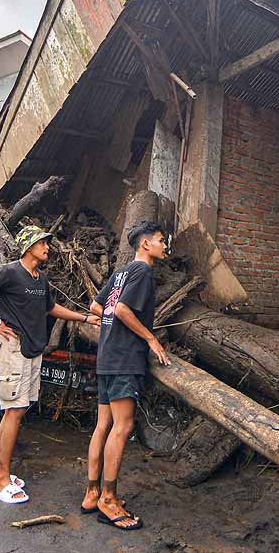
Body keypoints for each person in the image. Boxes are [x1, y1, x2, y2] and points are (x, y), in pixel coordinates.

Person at [0, 224, 100, 504]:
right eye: (42, 243)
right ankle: (2, 481)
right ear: (27, 247)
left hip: (32, 349)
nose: (47, 247)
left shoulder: (40, 279)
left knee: (16, 411)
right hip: (13, 347)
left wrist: (85, 318)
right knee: (14, 410)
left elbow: (51, 308)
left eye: (47, 242)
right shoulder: (9, 272)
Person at [81, 220, 172, 531]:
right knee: (123, 426)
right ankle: (109, 497)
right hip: (124, 359)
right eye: (160, 240)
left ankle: (92, 492)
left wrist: (108, 330)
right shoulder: (143, 272)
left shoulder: (120, 272)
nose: (164, 245)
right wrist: (149, 338)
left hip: (107, 356)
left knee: (103, 424)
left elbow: (96, 307)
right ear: (145, 244)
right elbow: (120, 310)